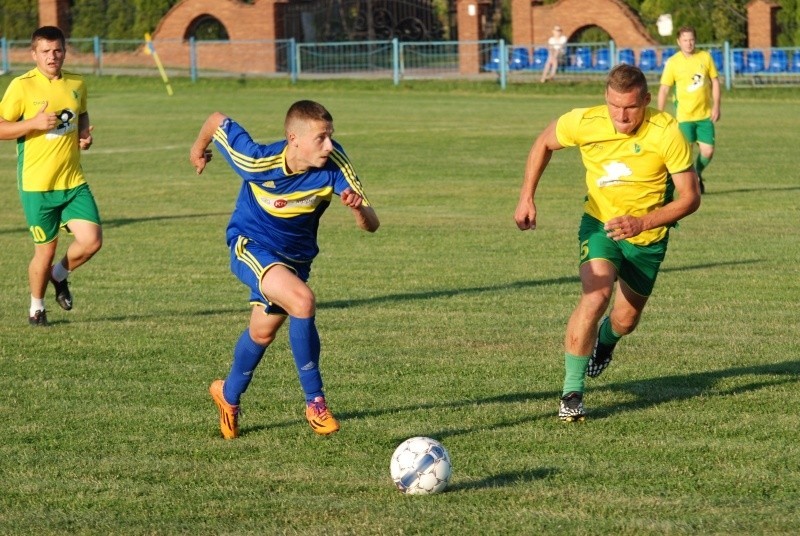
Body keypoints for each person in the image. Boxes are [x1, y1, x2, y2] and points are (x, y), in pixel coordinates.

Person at [514, 64, 701, 422]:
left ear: (646, 100)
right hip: (600, 224)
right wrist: (526, 197)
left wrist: (642, 222)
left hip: (647, 237)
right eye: (615, 106)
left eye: (631, 107)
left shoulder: (667, 131)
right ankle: (572, 393)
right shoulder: (585, 122)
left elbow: (690, 198)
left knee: (626, 320)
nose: (622, 115)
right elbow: (544, 142)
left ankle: (607, 341)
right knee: (596, 294)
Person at [189, 101, 380, 439]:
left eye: (331, 137)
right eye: (321, 138)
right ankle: (315, 402)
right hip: (251, 245)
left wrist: (355, 210)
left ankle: (227, 395)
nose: (330, 145)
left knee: (262, 332)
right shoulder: (257, 160)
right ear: (294, 138)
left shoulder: (335, 164)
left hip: (296, 261)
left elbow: (372, 224)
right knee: (302, 301)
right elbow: (216, 119)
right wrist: (198, 148)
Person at [0, 26, 102, 327]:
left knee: (92, 241)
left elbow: (80, 114)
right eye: (45, 51)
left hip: (72, 181)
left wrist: (84, 133)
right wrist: (32, 122)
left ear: (64, 51)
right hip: (37, 186)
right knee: (44, 252)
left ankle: (60, 275)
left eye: (57, 50)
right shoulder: (22, 86)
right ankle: (36, 308)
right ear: (34, 54)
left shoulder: (77, 83)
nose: (52, 56)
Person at [658, 26, 721, 194]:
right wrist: (660, 113)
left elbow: (714, 81)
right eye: (685, 40)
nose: (689, 43)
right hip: (684, 116)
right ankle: (681, 187)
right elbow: (664, 89)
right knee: (685, 154)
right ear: (679, 42)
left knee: (708, 150)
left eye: (691, 39)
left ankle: (697, 174)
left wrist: (716, 105)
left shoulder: (705, 57)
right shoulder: (673, 62)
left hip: (705, 115)